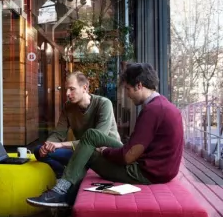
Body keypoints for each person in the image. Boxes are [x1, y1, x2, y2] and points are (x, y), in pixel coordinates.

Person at [27, 63, 184, 207]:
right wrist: (50, 144)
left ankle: (62, 193)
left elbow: (128, 156)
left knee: (87, 149)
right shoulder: (162, 105)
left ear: (139, 86)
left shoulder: (152, 111)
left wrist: (105, 151)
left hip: (145, 173)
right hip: (157, 170)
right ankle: (65, 186)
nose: (127, 95)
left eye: (128, 89)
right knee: (89, 138)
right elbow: (134, 150)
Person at [34, 72, 120, 178]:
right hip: (82, 153)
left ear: (84, 87)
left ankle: (70, 176)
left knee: (72, 159)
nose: (67, 93)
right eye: (66, 89)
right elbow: (58, 133)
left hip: (103, 154)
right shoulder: (68, 107)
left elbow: (98, 140)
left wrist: (61, 145)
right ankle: (63, 175)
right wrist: (48, 145)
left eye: (72, 89)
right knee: (39, 150)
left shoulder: (103, 103)